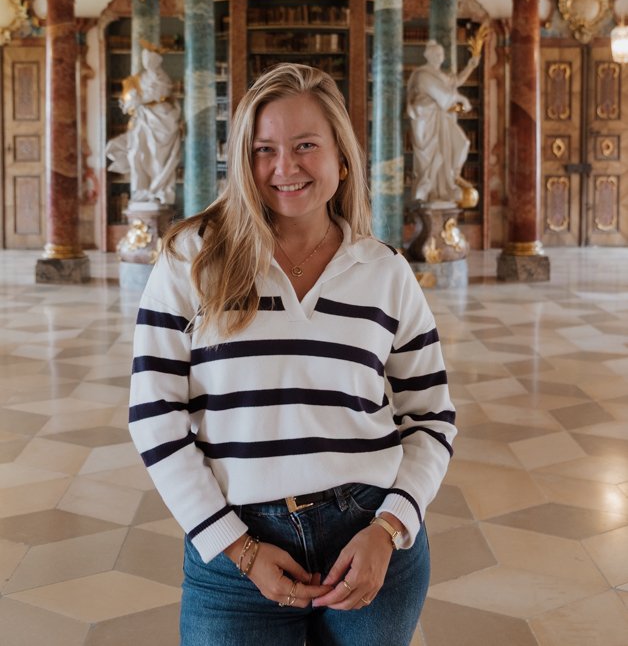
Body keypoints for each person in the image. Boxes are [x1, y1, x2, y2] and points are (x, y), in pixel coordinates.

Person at [129, 62, 456, 646]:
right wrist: (239, 547)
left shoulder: (385, 271)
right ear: (242, 159)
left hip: (370, 537)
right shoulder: (191, 260)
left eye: (306, 145)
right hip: (235, 549)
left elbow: (431, 415)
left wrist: (390, 527)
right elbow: (155, 417)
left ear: (342, 158)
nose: (285, 167)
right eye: (264, 150)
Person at [106, 46, 181, 205]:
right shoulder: (138, 79)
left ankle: (158, 189)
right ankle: (141, 189)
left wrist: (141, 99)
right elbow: (128, 104)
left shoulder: (162, 77)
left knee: (157, 158)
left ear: (157, 60)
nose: (147, 62)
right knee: (136, 154)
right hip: (142, 120)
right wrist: (132, 101)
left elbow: (162, 94)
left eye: (150, 59)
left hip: (160, 119)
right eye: (145, 59)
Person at [406, 40, 479, 205]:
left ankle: (452, 178)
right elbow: (444, 94)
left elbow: (455, 82)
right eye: (437, 54)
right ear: (428, 55)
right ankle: (432, 191)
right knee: (432, 160)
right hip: (427, 123)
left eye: (441, 54)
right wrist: (462, 99)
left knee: (462, 143)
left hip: (441, 120)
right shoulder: (422, 75)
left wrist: (470, 66)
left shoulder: (439, 75)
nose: (440, 57)